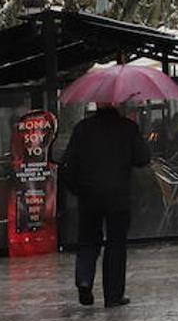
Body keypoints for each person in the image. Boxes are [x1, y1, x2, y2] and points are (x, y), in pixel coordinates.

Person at [60, 103, 151, 308]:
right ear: (117, 104)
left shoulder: (82, 128)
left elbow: (67, 164)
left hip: (89, 196)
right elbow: (142, 158)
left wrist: (77, 189)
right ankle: (113, 295)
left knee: (88, 240)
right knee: (116, 244)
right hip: (118, 197)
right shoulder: (128, 127)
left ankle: (84, 280)